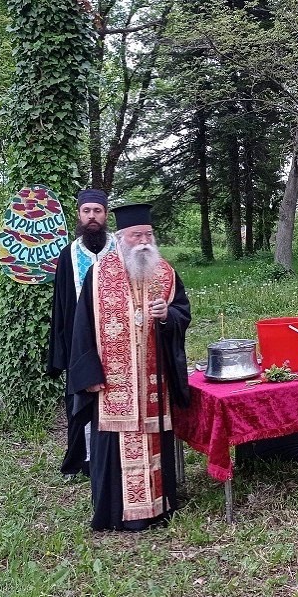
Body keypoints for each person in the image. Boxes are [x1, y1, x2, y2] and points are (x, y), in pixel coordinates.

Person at [69, 203, 191, 531]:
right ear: (121, 238)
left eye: (148, 235)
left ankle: (159, 508)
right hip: (113, 386)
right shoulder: (99, 274)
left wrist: (168, 316)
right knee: (112, 443)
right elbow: (81, 329)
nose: (143, 242)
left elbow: (182, 312)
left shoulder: (164, 272)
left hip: (154, 383)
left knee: (156, 440)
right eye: (136, 235)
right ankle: (114, 512)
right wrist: (89, 374)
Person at [47, 188, 117, 477]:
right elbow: (61, 308)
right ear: (79, 214)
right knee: (83, 401)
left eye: (97, 211)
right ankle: (87, 459)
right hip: (81, 345)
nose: (92, 217)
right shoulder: (69, 254)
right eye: (87, 211)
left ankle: (116, 452)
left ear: (105, 214)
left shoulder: (120, 248)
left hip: (117, 341)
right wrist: (63, 352)